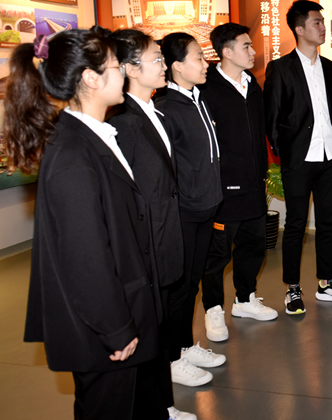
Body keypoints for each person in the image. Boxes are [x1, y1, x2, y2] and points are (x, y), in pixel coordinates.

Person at [6, 28, 164, 419]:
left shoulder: (94, 135)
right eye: (115, 66)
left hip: (122, 306)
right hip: (103, 327)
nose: (123, 73)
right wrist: (116, 327)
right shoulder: (73, 154)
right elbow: (85, 257)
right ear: (91, 78)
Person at [107, 30, 213, 420]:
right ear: (130, 69)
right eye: (156, 58)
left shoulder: (154, 111)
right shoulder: (123, 122)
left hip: (167, 232)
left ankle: (162, 404)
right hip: (147, 241)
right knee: (148, 324)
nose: (163, 65)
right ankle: (157, 407)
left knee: (163, 316)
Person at [265, 0, 332, 315]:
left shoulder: (331, 68)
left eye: (322, 22)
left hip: (329, 155)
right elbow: (272, 118)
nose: (322, 27)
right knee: (296, 224)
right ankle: (292, 288)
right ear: (299, 29)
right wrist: (286, 156)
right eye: (316, 22)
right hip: (299, 159)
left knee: (328, 222)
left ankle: (326, 283)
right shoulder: (280, 68)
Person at [199, 23, 278, 340]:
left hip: (254, 185)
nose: (253, 51)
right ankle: (213, 310)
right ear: (227, 52)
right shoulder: (207, 88)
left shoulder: (252, 85)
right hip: (223, 190)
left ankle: (244, 300)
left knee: (253, 247)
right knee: (217, 256)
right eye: (246, 46)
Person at [154, 33, 223, 386]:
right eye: (198, 57)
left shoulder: (198, 98)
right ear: (177, 66)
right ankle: (171, 358)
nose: (205, 63)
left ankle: (183, 345)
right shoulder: (166, 107)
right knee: (178, 289)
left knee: (192, 283)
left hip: (206, 207)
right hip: (184, 211)